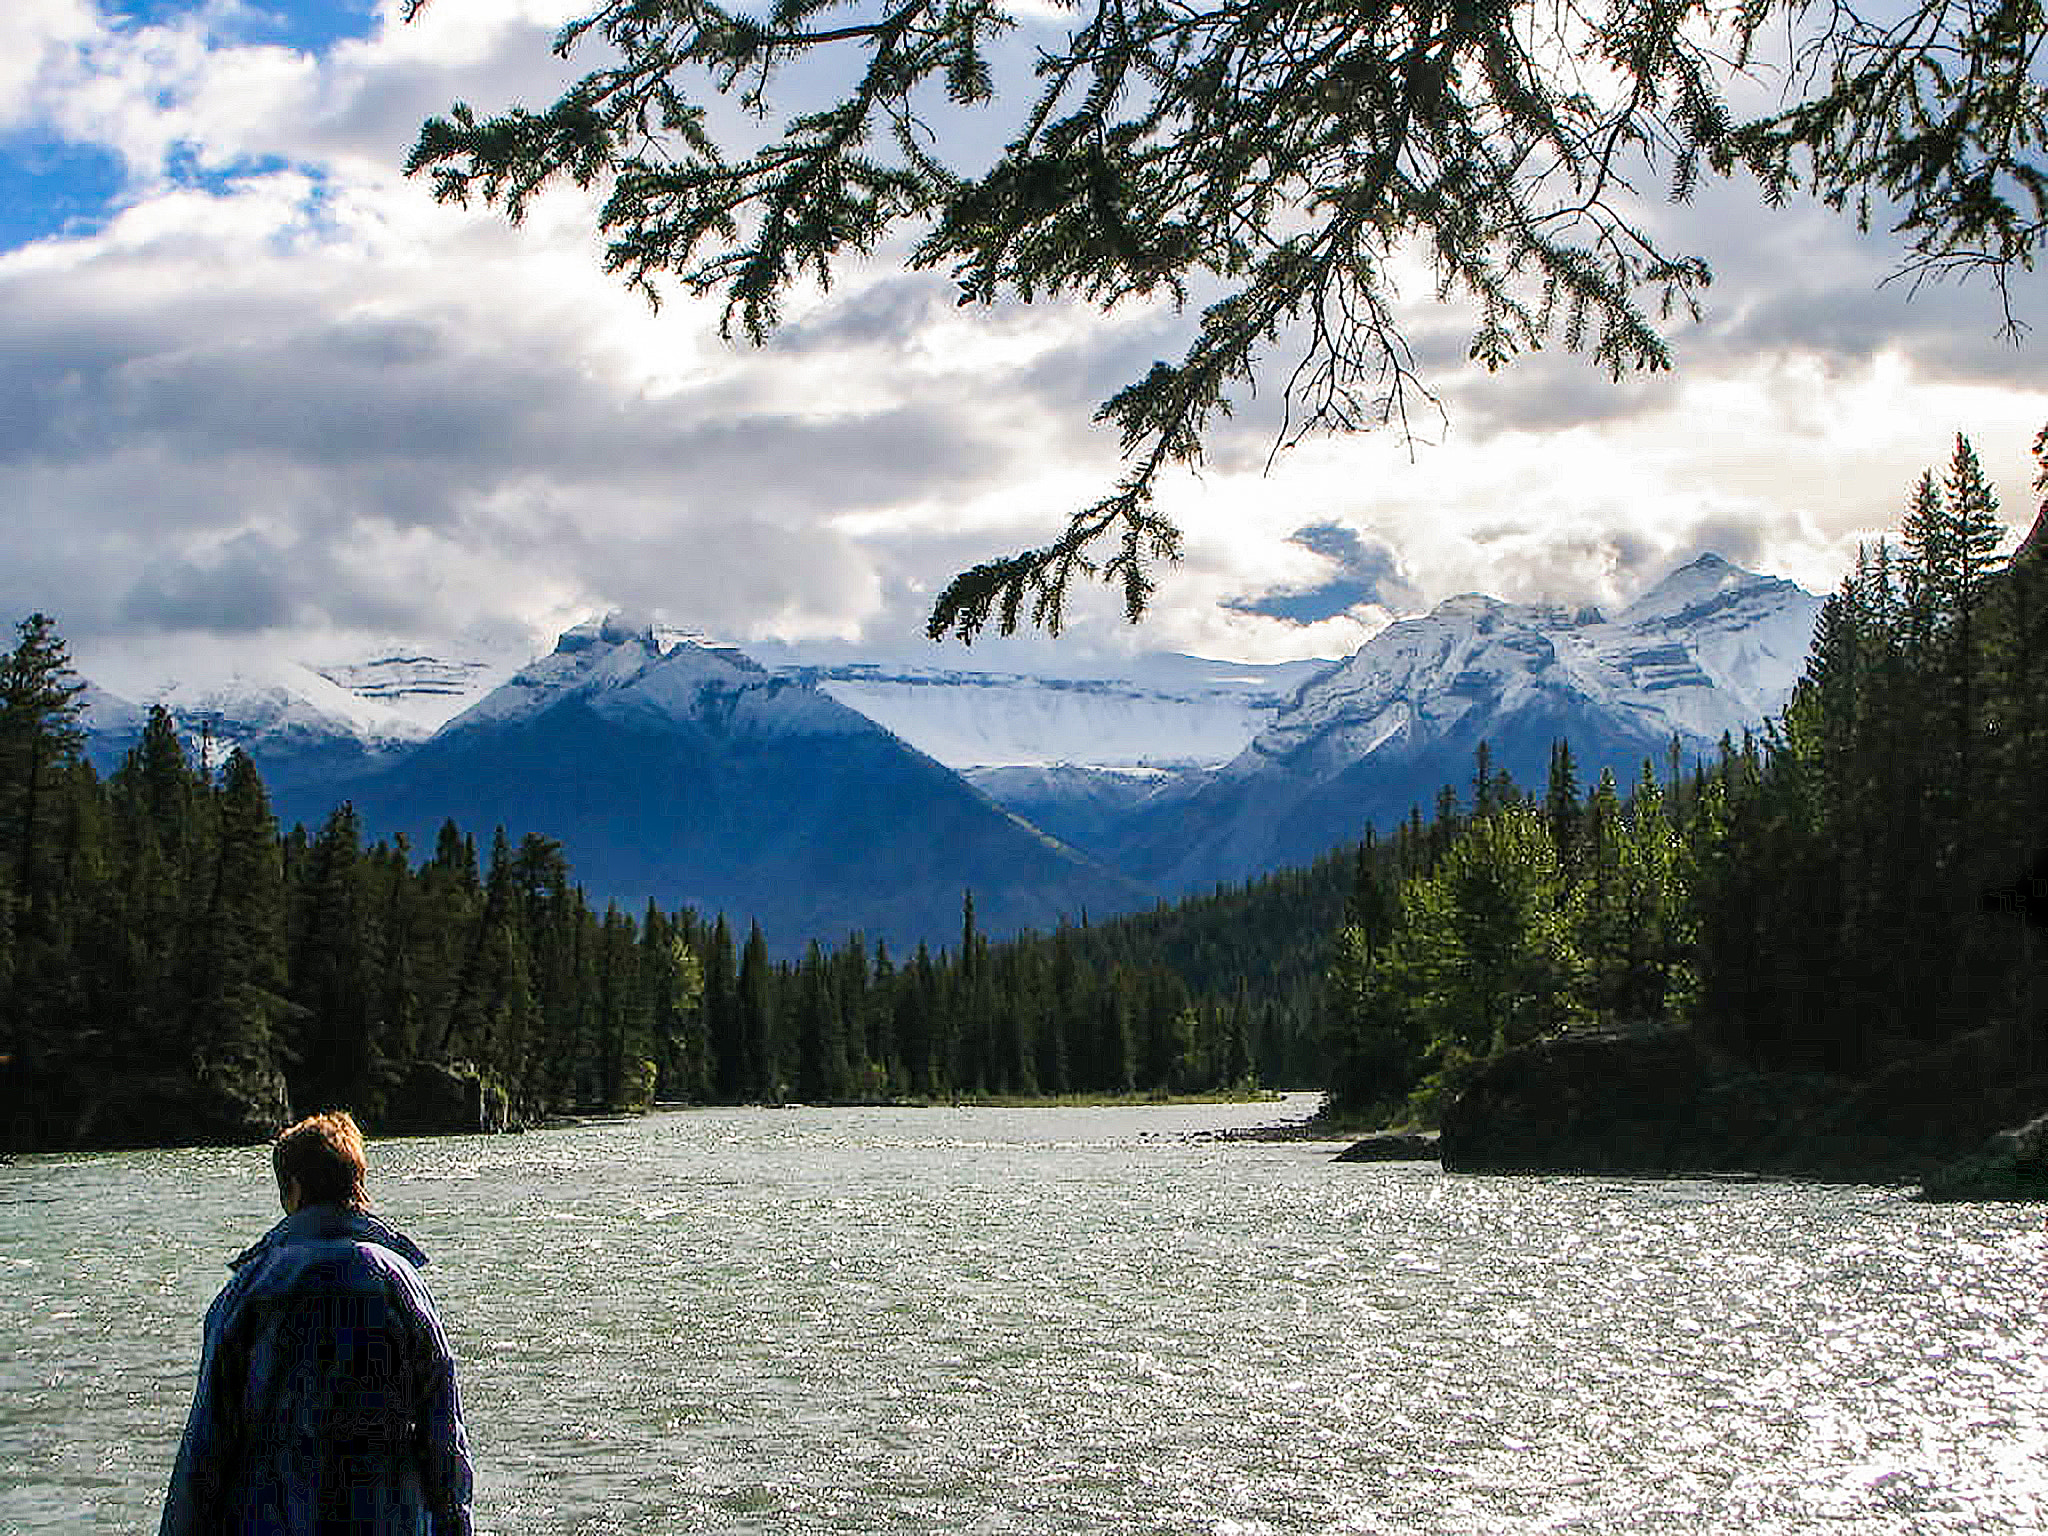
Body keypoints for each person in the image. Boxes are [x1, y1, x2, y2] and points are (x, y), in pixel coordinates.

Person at [161, 1111, 475, 1536]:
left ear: (292, 1189)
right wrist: (455, 1522)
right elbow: (444, 1429)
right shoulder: (401, 1285)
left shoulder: (248, 1290)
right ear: (357, 1185)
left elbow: (206, 1442)